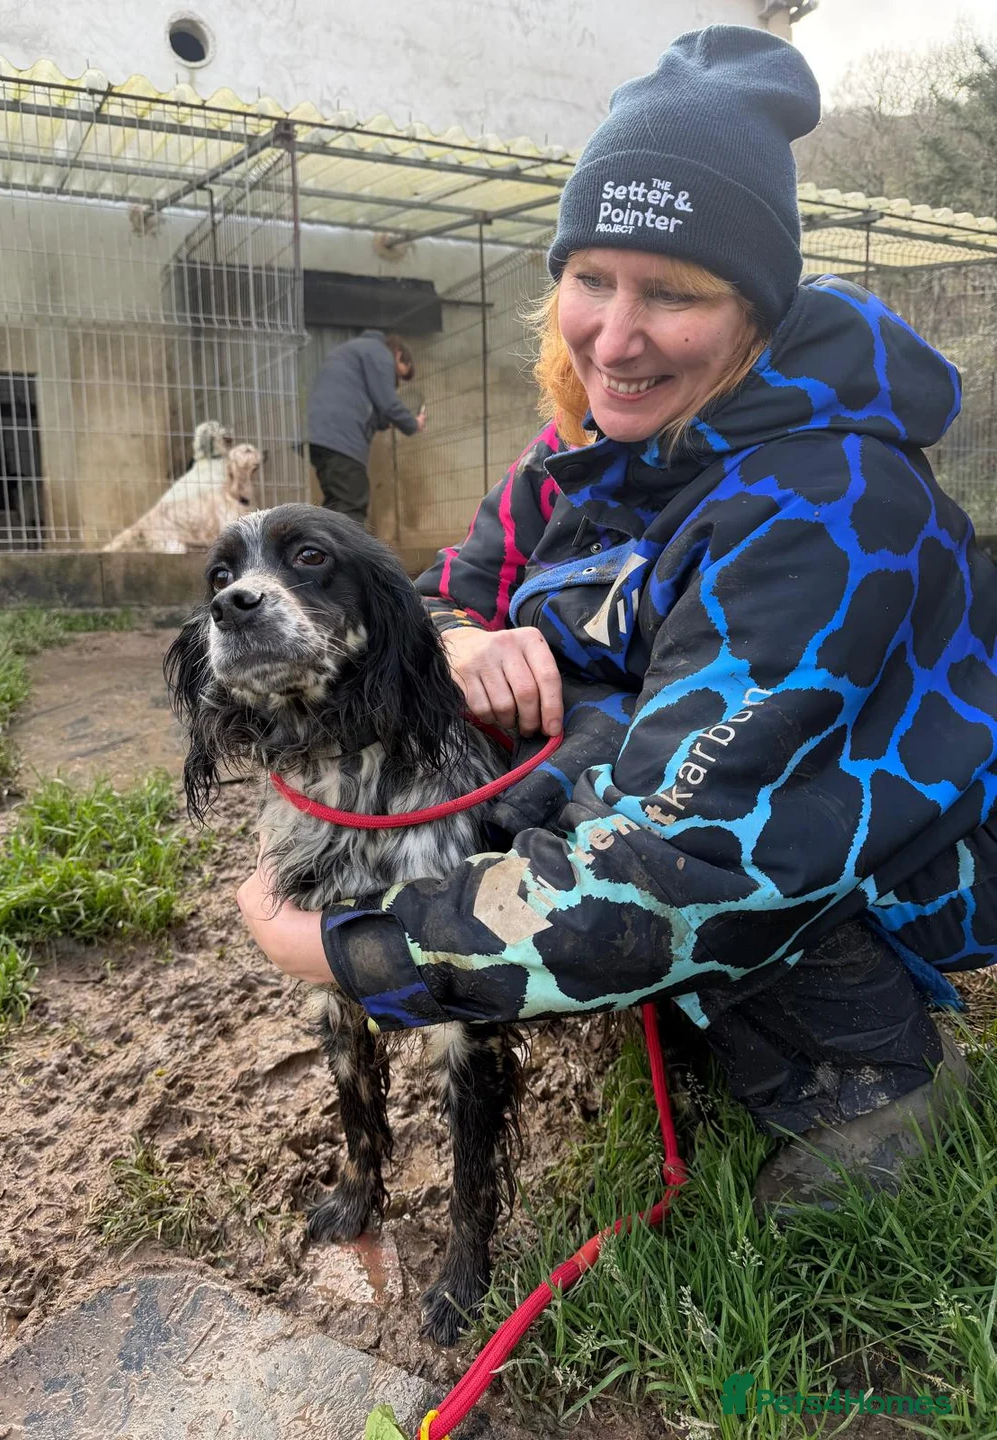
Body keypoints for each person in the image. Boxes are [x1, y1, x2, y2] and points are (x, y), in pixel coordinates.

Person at [239, 25, 993, 1213]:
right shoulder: (578, 455)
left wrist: (346, 950)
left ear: (757, 308)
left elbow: (685, 861)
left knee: (619, 800)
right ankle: (679, 1007)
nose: (614, 337)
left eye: (674, 294)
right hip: (695, 814)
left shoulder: (827, 507)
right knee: (551, 743)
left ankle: (877, 1079)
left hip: (873, 846)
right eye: (591, 278)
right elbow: (444, 584)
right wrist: (464, 639)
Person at [306, 329, 426, 526]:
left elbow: (366, 406)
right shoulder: (379, 353)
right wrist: (413, 423)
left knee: (337, 506)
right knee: (353, 502)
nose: (394, 382)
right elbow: (388, 403)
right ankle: (347, 557)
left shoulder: (356, 352)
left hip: (320, 437)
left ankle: (326, 552)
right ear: (397, 353)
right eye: (397, 374)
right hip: (341, 438)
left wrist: (386, 421)